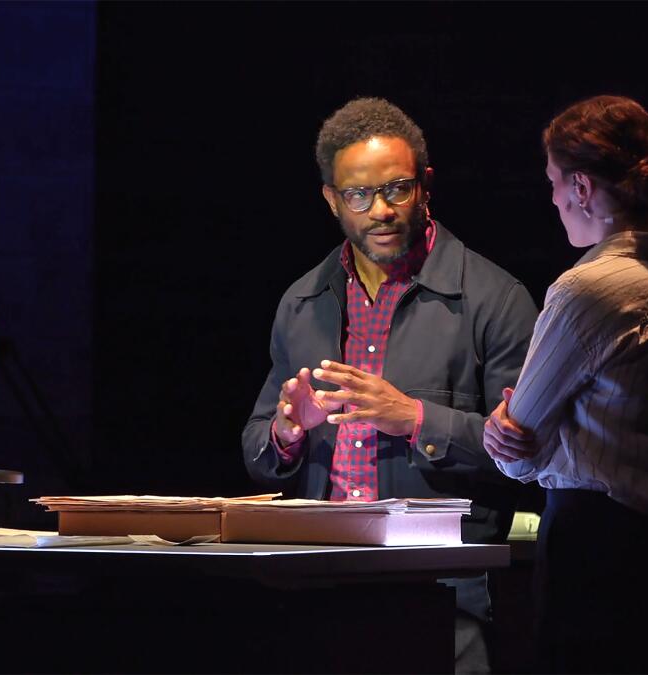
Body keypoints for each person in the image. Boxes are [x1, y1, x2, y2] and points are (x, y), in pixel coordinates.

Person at [242, 97, 538, 672]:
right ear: (331, 199)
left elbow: (533, 455)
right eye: (357, 195)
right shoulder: (302, 302)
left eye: (396, 189)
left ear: (426, 185)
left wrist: (414, 419)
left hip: (443, 594)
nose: (379, 210)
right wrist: (285, 431)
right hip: (321, 587)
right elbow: (258, 451)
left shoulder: (495, 300)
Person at [483, 95, 648, 673]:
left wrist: (509, 432)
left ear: (583, 188)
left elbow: (519, 446)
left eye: (555, 183)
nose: (555, 199)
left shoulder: (586, 291)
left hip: (594, 551)